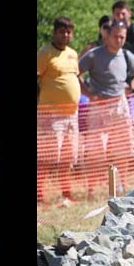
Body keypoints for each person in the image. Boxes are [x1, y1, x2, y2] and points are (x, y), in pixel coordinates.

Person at [78, 18, 134, 196]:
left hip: (120, 105)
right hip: (99, 106)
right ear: (107, 36)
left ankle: (121, 184)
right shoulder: (94, 54)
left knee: (123, 147)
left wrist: (131, 86)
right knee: (95, 150)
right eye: (116, 36)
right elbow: (74, 73)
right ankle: (92, 189)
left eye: (122, 37)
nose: (119, 40)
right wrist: (88, 95)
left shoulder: (126, 55)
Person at [37, 16, 81, 203]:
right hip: (51, 115)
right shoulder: (45, 53)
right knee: (48, 156)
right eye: (62, 31)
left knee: (68, 157)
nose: (66, 35)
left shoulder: (73, 54)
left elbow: (74, 78)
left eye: (69, 32)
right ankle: (39, 193)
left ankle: (66, 193)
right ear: (54, 32)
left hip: (72, 115)